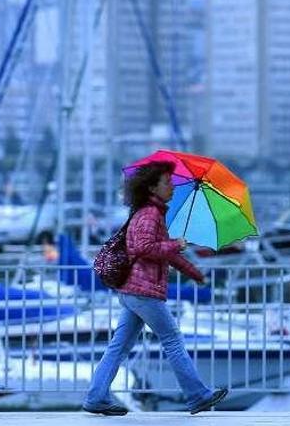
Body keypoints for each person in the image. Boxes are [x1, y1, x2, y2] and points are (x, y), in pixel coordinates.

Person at [83, 161, 228, 416]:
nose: (171, 186)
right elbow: (143, 248)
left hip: (133, 291)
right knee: (172, 340)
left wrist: (194, 273)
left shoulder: (151, 213)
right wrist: (175, 245)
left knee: (119, 347)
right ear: (152, 187)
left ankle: (96, 397)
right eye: (167, 182)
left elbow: (162, 252)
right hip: (143, 292)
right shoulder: (150, 214)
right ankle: (197, 395)